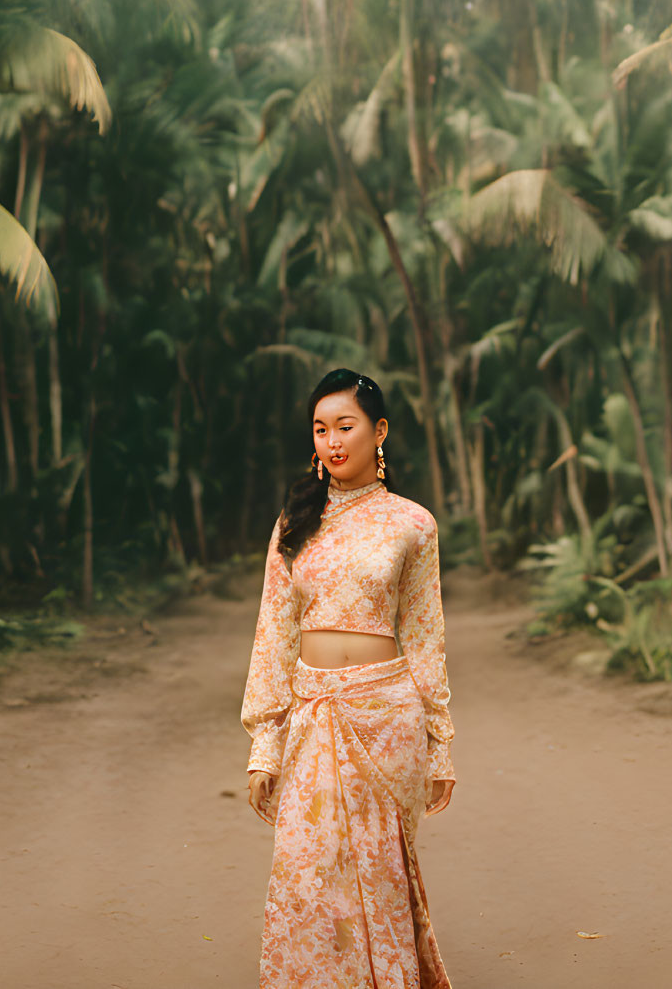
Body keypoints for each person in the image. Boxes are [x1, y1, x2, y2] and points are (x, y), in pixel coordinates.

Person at [240, 368, 456, 989]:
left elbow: (424, 634)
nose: (332, 441)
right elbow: (272, 637)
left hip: (387, 718)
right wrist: (265, 744)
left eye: (346, 426)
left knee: (378, 873)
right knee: (305, 872)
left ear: (379, 431)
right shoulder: (293, 525)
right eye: (320, 429)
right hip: (311, 714)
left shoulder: (413, 524)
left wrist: (440, 743)